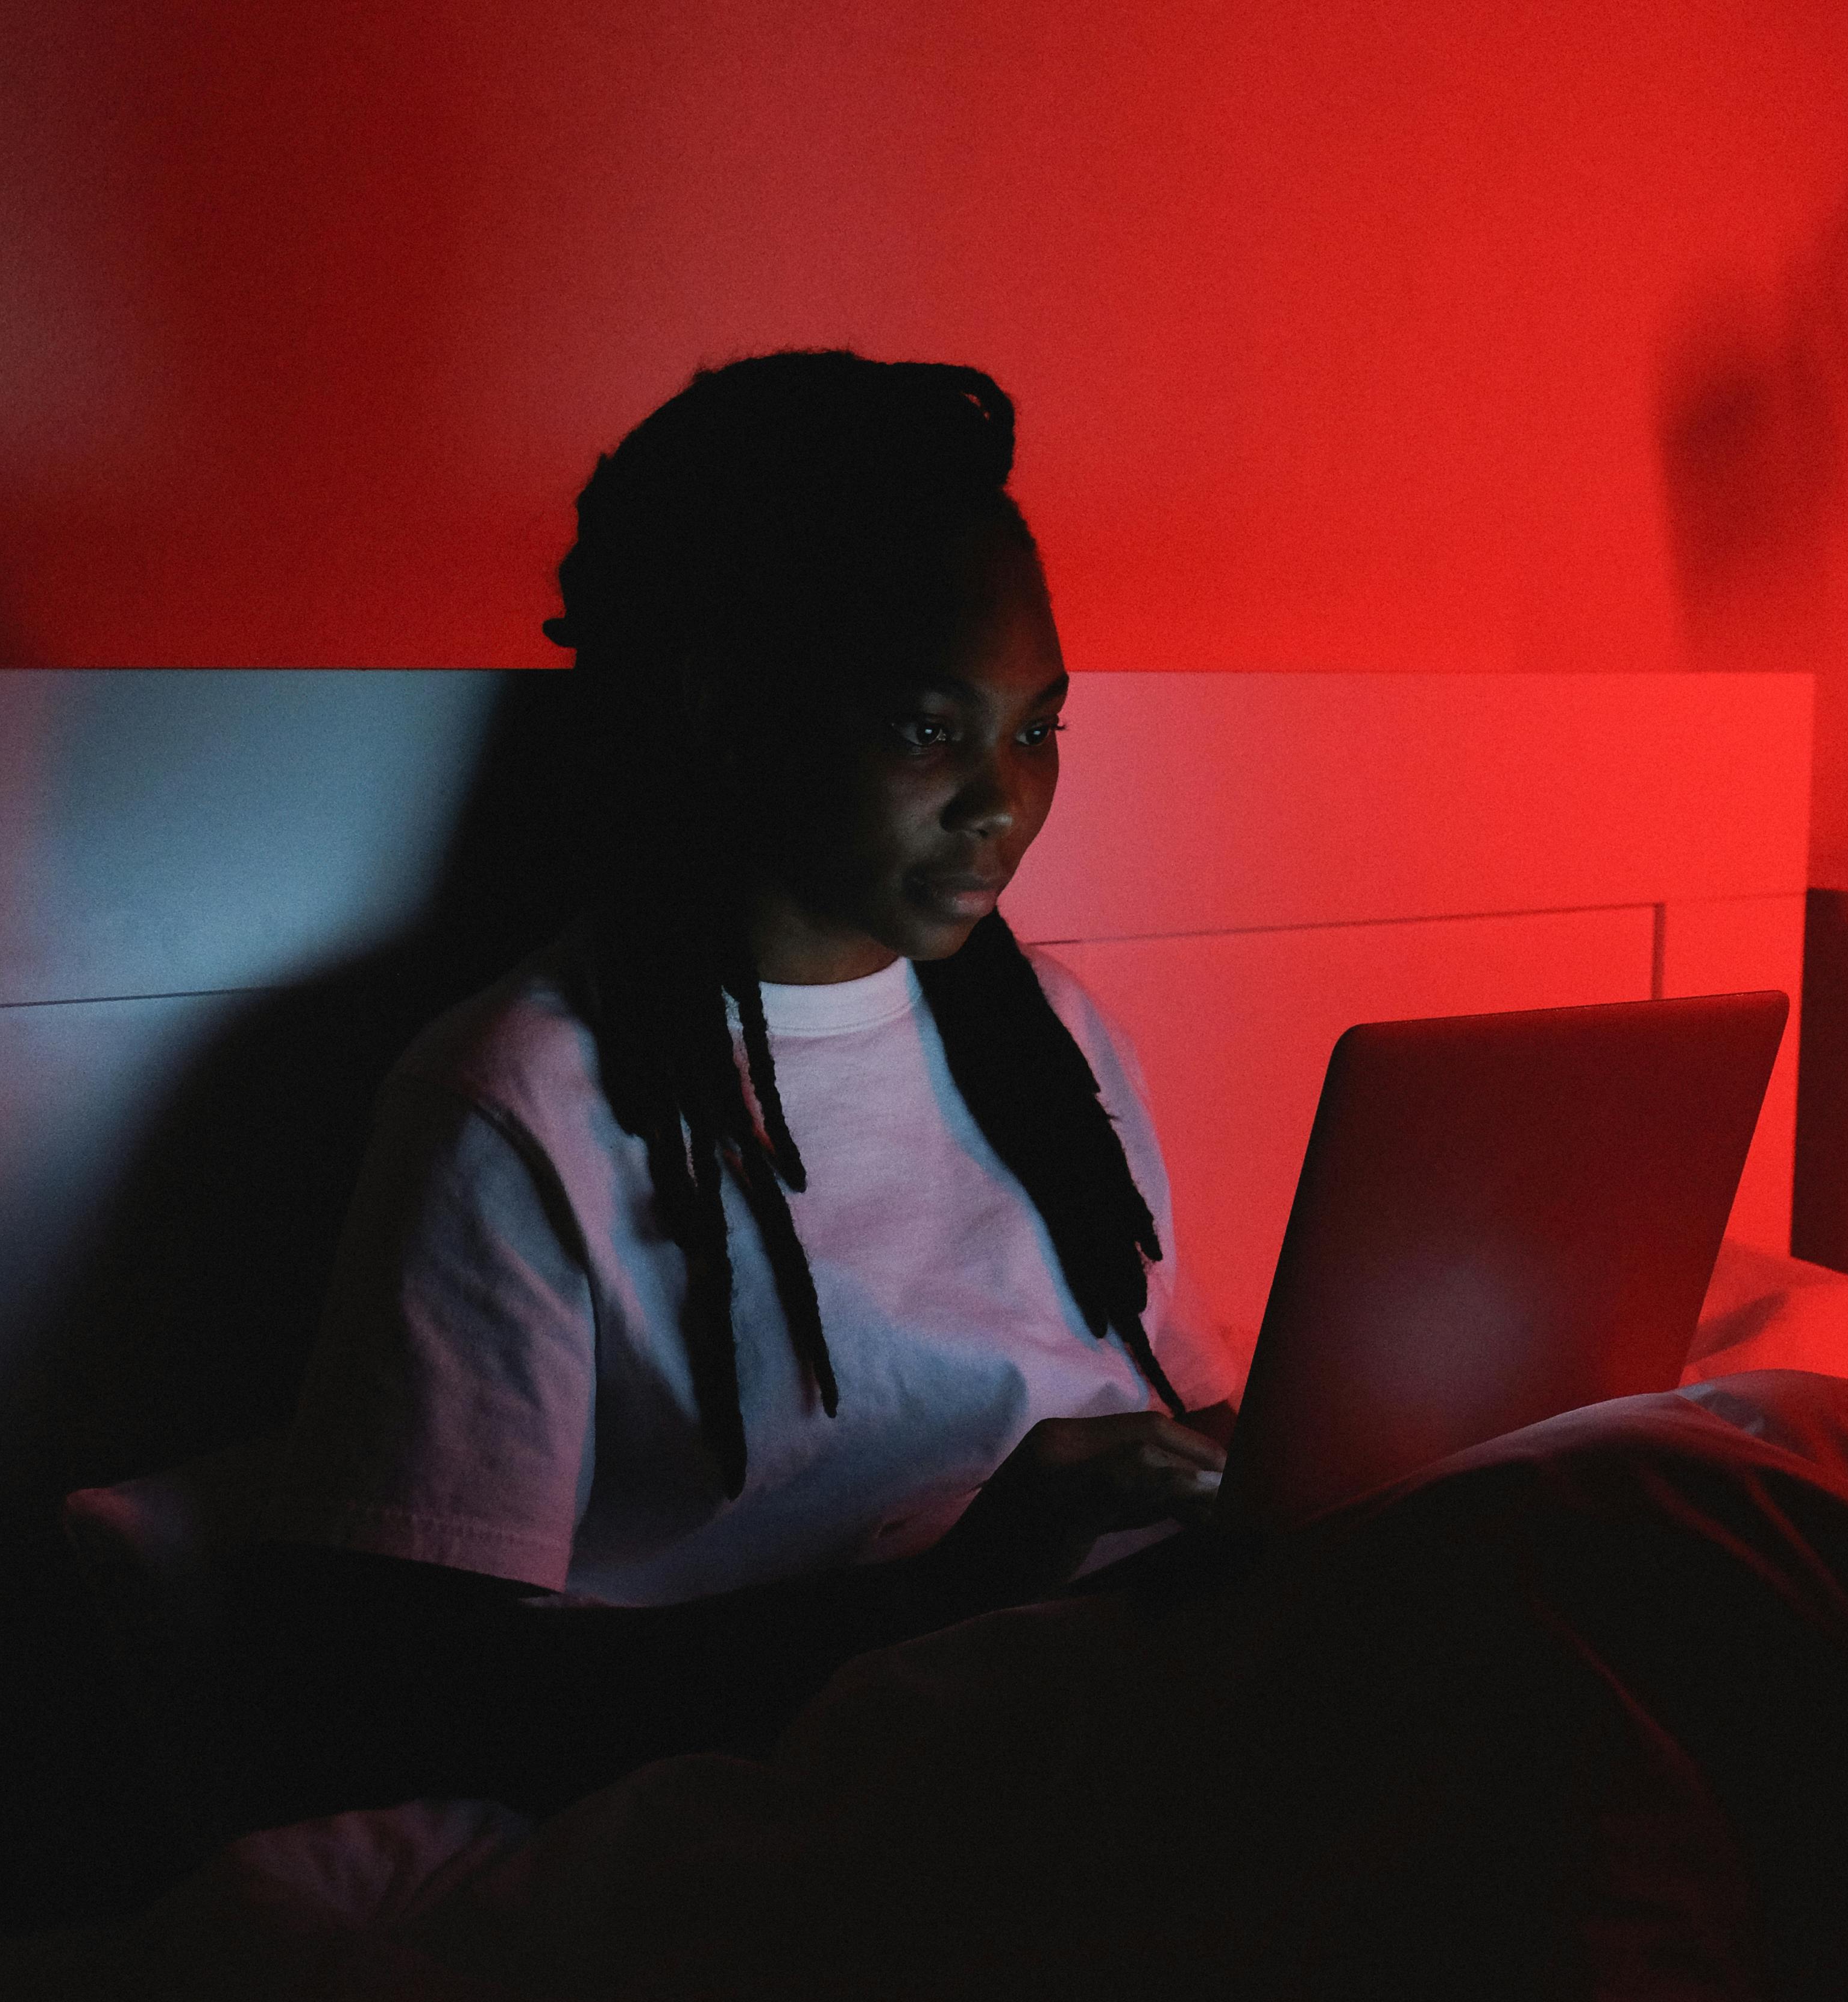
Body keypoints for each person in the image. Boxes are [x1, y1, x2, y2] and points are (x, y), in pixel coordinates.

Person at [251, 352, 1238, 1815]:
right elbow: (411, 1704)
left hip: (1159, 1682)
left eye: (1038, 728)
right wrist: (963, 1584)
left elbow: (1187, 1417)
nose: (1003, 800)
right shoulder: (521, 1108)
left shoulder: (1054, 1041)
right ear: (730, 709)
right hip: (856, 1777)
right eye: (928, 727)